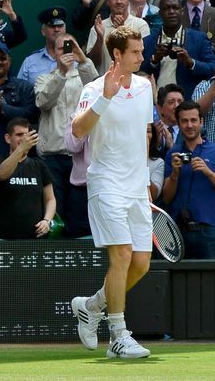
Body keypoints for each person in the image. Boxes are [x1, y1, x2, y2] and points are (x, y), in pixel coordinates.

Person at [70, 26, 154, 359]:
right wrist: (105, 97)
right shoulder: (93, 88)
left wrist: (145, 183)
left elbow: (143, 135)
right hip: (106, 183)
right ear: (117, 54)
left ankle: (91, 306)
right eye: (135, 51)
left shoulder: (146, 86)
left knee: (141, 263)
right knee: (121, 256)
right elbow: (77, 130)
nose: (142, 56)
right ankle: (118, 336)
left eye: (142, 50)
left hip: (136, 187)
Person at [35, 33, 97, 236]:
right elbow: (43, 102)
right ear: (53, 52)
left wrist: (83, 59)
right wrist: (61, 74)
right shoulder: (44, 78)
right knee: (56, 210)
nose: (66, 52)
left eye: (71, 47)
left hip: (80, 157)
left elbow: (99, 90)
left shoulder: (85, 77)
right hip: (53, 155)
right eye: (62, 48)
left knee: (79, 211)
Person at [161, 100, 215, 259]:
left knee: (214, 281)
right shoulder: (173, 154)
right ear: (179, 124)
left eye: (193, 120)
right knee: (180, 281)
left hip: (209, 230)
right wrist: (175, 174)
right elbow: (166, 198)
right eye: (184, 121)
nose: (189, 125)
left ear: (201, 121)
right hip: (178, 230)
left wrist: (208, 173)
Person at [0, 118, 56, 239]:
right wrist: (21, 149)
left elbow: (50, 199)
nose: (24, 139)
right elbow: (0, 175)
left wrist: (47, 220)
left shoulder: (39, 165)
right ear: (8, 138)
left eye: (26, 135)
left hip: (34, 237)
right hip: (2, 237)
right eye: (19, 135)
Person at [141, 0, 215, 98]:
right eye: (166, 8)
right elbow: (137, 73)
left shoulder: (199, 39)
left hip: (187, 103)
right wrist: (154, 60)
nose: (171, 12)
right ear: (160, 13)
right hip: (155, 101)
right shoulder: (147, 41)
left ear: (182, 11)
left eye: (175, 8)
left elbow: (212, 69)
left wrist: (190, 62)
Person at [86, 0, 150, 75]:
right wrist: (100, 38)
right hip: (105, 84)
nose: (119, 1)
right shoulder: (99, 27)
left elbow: (142, 61)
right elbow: (92, 64)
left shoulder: (141, 25)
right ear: (108, 2)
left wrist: (123, 31)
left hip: (131, 85)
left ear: (128, 0)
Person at [17, 6, 67, 85]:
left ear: (65, 30)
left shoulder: (75, 58)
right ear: (43, 31)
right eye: (52, 26)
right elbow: (20, 91)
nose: (57, 29)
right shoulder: (30, 61)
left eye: (60, 26)